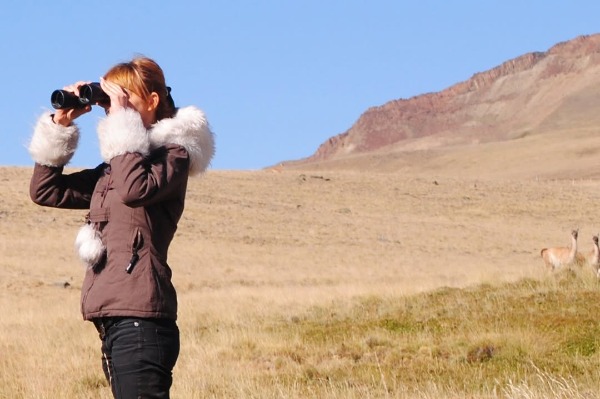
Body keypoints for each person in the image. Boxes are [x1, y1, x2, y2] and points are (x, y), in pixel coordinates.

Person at [28, 56, 215, 398]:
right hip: (116, 320)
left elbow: (133, 191)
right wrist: (61, 125)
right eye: (110, 99)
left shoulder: (172, 157)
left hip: (142, 320)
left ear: (153, 100)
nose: (114, 106)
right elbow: (46, 192)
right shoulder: (119, 167)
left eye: (124, 97)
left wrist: (121, 124)